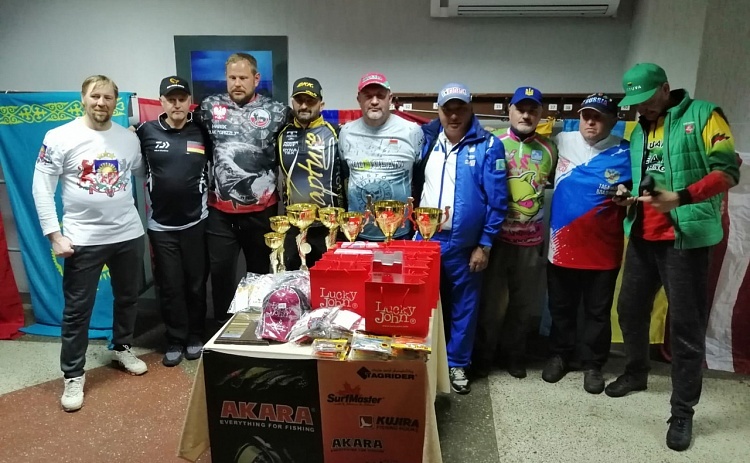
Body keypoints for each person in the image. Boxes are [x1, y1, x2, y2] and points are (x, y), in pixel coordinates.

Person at [606, 63, 740, 451]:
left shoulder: (705, 115)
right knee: (629, 310)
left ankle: (682, 411)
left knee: (685, 327)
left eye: (647, 99)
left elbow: (728, 171)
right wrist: (627, 192)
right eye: (635, 103)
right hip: (643, 236)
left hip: (686, 241)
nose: (642, 108)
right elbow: (648, 178)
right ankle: (636, 372)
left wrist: (680, 198)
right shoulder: (640, 131)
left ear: (665, 89)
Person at [32, 75, 148, 412]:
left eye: (108, 97)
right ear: (83, 98)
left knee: (128, 298)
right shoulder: (59, 137)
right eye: (95, 96)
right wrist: (54, 235)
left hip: (127, 234)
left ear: (116, 102)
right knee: (77, 310)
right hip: (82, 240)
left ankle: (121, 347)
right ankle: (73, 374)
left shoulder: (127, 139)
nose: (101, 102)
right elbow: (41, 187)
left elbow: (140, 173)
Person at [413, 83, 507, 394]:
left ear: (470, 109)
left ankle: (457, 364)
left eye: (460, 109)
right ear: (438, 111)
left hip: (465, 244)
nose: (454, 116)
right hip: (425, 239)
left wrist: (485, 244)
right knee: (421, 302)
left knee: (464, 307)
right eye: (447, 109)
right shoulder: (427, 140)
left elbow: (498, 201)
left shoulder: (489, 145)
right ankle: (421, 359)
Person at [541, 94, 631, 394]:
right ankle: (560, 355)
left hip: (603, 249)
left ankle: (593, 364)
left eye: (599, 117)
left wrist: (627, 195)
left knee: (597, 312)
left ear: (613, 121)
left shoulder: (626, 151)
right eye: (586, 116)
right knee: (561, 307)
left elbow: (640, 190)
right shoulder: (561, 141)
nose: (591, 122)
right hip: (561, 246)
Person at [197, 53, 291, 322]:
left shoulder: (277, 111)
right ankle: (221, 328)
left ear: (256, 79)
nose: (237, 83)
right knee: (221, 274)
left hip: (262, 211)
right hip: (220, 211)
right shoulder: (209, 107)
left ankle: (258, 326)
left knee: (260, 274)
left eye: (243, 78)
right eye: (232, 78)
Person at [474, 86, 558, 379]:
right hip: (496, 239)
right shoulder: (493, 141)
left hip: (530, 241)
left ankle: (515, 355)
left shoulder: (550, 149)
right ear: (509, 110)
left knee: (523, 305)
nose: (526, 115)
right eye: (520, 109)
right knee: (492, 305)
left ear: (540, 114)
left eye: (532, 110)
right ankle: (484, 356)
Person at [136, 76, 210, 366]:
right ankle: (175, 339)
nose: (177, 104)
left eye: (182, 99)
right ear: (162, 102)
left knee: (195, 284)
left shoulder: (201, 131)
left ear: (189, 101)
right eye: (171, 99)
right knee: (170, 286)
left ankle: (195, 335)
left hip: (196, 222)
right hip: (161, 226)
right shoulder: (146, 131)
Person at [339, 72, 424, 241]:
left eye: (380, 96)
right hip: (356, 233)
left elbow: (419, 177)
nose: (374, 101)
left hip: (400, 233)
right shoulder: (346, 132)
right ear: (359, 99)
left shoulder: (412, 131)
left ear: (390, 99)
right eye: (368, 96)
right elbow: (345, 173)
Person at [277, 77, 344, 269]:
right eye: (299, 100)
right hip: (294, 226)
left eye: (310, 101)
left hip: (329, 227)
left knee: (330, 282)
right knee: (293, 282)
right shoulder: (282, 134)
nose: (304, 106)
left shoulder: (336, 133)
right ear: (292, 103)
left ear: (321, 104)